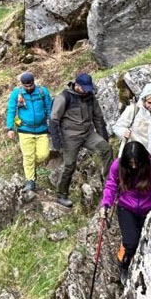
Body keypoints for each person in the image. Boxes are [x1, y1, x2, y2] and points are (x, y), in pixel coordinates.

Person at [99, 141, 151, 283]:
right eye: (130, 163)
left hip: (149, 209)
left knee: (147, 243)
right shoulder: (118, 166)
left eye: (137, 162)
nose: (134, 166)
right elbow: (111, 185)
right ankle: (124, 265)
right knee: (131, 242)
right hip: (126, 208)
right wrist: (105, 204)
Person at [49, 73, 113, 208]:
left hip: (88, 134)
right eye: (84, 88)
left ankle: (109, 184)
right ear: (77, 85)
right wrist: (57, 142)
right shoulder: (64, 98)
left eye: (88, 88)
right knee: (70, 165)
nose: (87, 90)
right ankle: (61, 194)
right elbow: (54, 120)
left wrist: (103, 138)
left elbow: (98, 118)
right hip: (70, 137)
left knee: (106, 149)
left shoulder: (90, 97)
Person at [5, 72, 53, 194]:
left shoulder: (42, 92)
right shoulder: (17, 93)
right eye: (26, 86)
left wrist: (52, 124)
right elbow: (11, 110)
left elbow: (49, 108)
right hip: (25, 130)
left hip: (42, 129)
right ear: (22, 84)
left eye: (30, 85)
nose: (29, 88)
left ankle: (30, 169)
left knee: (43, 154)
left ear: (33, 82)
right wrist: (10, 128)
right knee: (28, 156)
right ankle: (30, 181)